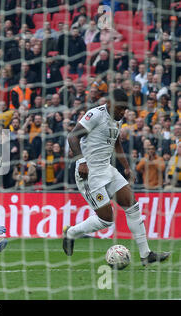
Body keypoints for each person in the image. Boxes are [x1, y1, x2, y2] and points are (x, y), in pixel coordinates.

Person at [62, 88, 170, 266]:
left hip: (107, 169)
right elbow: (72, 136)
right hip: (89, 173)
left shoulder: (117, 120)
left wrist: (127, 167)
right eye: (120, 109)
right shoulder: (95, 115)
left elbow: (116, 142)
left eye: (124, 110)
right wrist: (81, 161)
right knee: (106, 219)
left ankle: (146, 255)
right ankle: (71, 233)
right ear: (109, 103)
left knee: (132, 205)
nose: (122, 113)